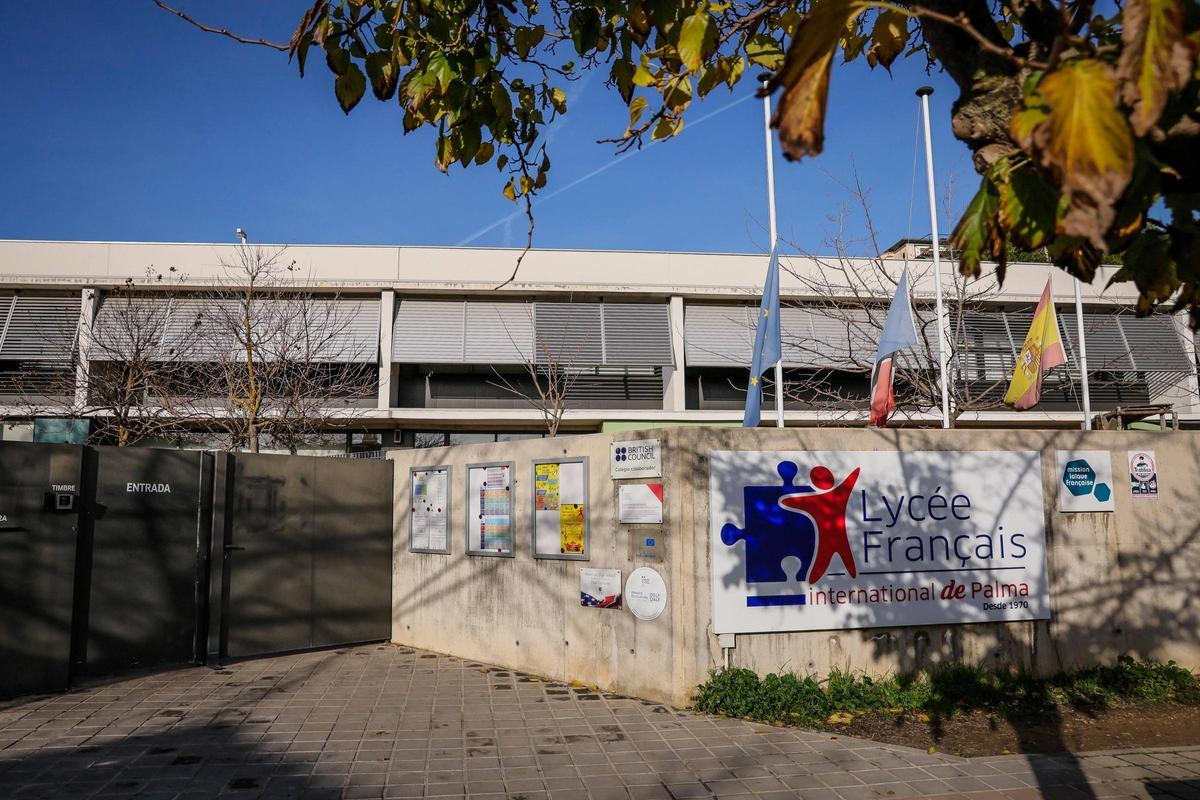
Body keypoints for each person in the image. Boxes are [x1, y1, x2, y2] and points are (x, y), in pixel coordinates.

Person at [779, 465, 861, 583]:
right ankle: (814, 581)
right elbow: (853, 477)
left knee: (822, 566)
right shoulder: (840, 491)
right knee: (843, 565)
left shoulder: (813, 501)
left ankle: (813, 581)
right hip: (838, 539)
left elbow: (787, 501)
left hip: (826, 542)